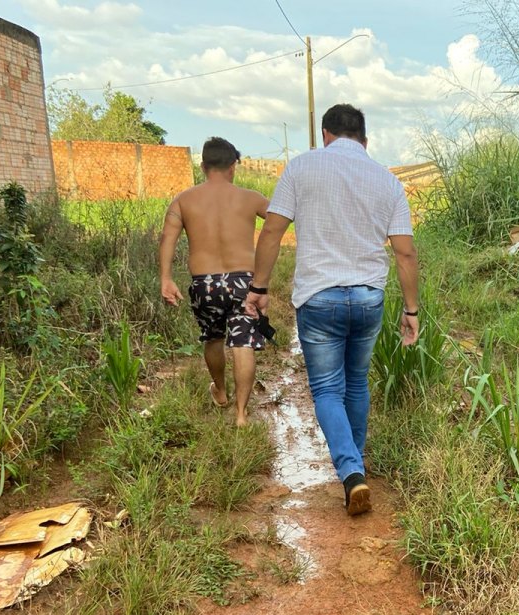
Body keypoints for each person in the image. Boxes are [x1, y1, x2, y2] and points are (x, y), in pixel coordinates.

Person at [245, 104, 420, 517]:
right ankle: (354, 464)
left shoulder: (301, 168)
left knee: (326, 389)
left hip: (319, 297)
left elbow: (272, 230)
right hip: (367, 298)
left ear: (325, 135)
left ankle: (351, 471)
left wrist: (259, 287)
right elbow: (405, 253)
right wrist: (411, 310)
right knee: (356, 383)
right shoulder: (388, 181)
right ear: (365, 139)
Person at [159, 136, 269, 426]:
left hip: (204, 283)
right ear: (233, 166)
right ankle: (242, 414)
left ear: (203, 165)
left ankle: (220, 392)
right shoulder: (252, 198)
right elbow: (282, 220)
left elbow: (167, 238)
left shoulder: (183, 200)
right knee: (243, 342)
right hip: (244, 281)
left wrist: (166, 278)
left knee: (213, 337)